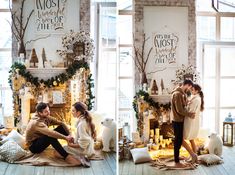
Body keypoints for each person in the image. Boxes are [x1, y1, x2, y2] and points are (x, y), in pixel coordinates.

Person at [171, 79, 195, 168]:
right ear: (187, 85)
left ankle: (176, 157)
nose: (189, 89)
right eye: (190, 87)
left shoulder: (181, 93)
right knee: (178, 140)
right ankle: (176, 160)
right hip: (177, 120)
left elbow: (182, 106)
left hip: (179, 120)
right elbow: (179, 110)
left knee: (179, 139)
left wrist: (187, 102)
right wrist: (190, 114)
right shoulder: (177, 94)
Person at [182, 84, 204, 163]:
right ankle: (195, 158)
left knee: (182, 139)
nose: (191, 91)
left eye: (193, 89)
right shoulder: (197, 98)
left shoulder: (196, 99)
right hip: (193, 122)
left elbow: (190, 111)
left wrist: (185, 105)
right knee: (191, 139)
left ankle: (193, 155)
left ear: (197, 91)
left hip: (190, 122)